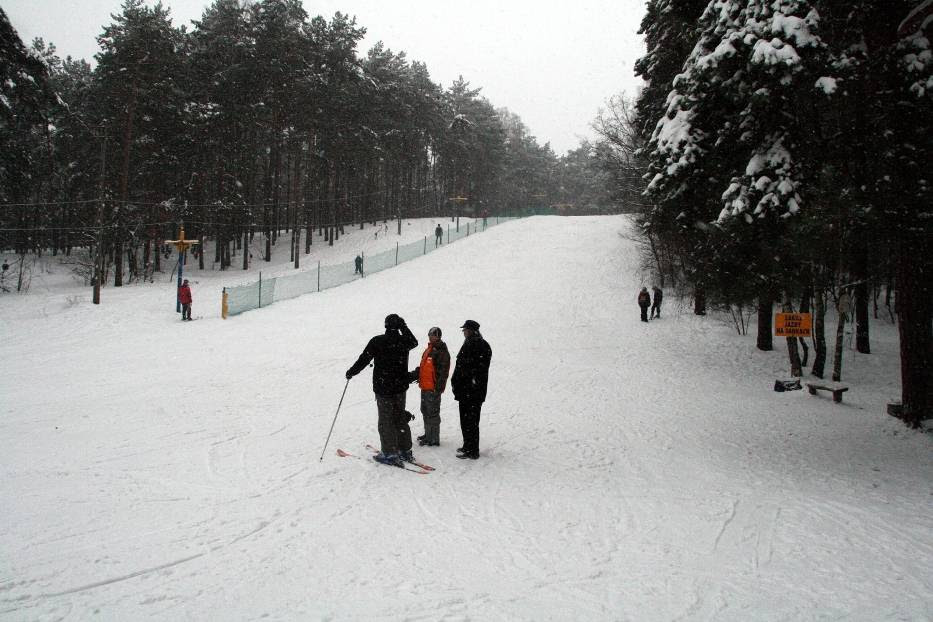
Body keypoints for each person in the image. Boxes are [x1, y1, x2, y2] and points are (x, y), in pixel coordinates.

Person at [345, 314, 418, 466]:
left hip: (384, 388)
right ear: (398, 326)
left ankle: (390, 453)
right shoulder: (404, 341)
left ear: (385, 326)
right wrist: (403, 326)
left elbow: (364, 359)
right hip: (400, 387)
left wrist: (351, 372)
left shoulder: (378, 341)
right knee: (399, 418)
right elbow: (414, 341)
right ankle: (405, 450)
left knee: (386, 421)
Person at [451, 320, 492, 460]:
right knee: (466, 420)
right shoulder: (473, 343)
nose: (464, 332)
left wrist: (464, 381)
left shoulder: (478, 345)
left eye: (465, 330)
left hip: (471, 391)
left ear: (472, 330)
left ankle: (472, 450)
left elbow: (474, 369)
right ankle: (468, 445)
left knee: (471, 421)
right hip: (468, 390)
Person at [413, 327, 451, 446]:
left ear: (438, 336)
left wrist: (438, 387)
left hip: (433, 388)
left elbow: (443, 372)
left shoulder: (441, 351)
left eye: (433, 335)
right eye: (430, 334)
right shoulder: (429, 349)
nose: (431, 337)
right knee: (425, 411)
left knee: (432, 413)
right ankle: (428, 434)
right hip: (425, 386)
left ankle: (433, 438)